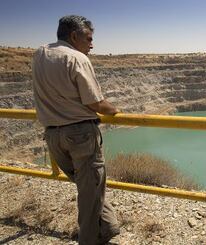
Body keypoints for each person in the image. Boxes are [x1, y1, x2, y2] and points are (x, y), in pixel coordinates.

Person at [32, 15, 120, 245]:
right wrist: (115, 110)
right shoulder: (76, 58)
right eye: (89, 38)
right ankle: (90, 240)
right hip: (80, 135)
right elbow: (95, 103)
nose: (92, 44)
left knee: (89, 185)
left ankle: (109, 227)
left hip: (53, 136)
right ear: (74, 36)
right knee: (89, 193)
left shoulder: (40, 53)